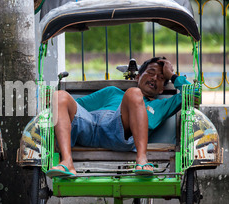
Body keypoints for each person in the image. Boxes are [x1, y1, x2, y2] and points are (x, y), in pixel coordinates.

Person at [47, 57, 190, 178]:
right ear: (138, 77)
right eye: (151, 73)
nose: (154, 78)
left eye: (160, 78)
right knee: (59, 96)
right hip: (89, 124)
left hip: (120, 133)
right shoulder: (112, 92)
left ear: (161, 89)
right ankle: (67, 162)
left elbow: (193, 94)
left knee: (134, 94)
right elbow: (73, 108)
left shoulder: (162, 105)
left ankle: (141, 160)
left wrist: (171, 75)